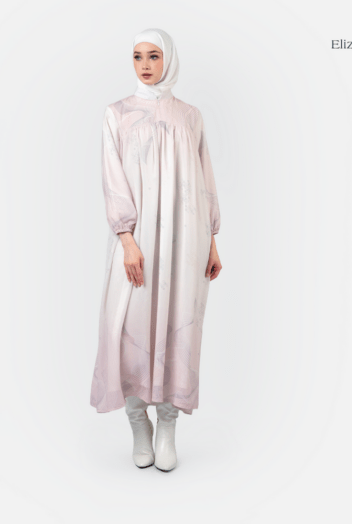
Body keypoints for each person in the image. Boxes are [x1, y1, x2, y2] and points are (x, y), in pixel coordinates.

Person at [90, 28, 222, 472]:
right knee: (129, 326)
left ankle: (167, 425)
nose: (145, 64)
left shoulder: (190, 116)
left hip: (187, 241)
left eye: (154, 55)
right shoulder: (117, 114)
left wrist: (212, 239)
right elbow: (113, 179)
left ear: (169, 59)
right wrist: (126, 239)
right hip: (138, 242)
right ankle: (138, 424)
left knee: (177, 329)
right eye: (137, 56)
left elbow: (204, 180)